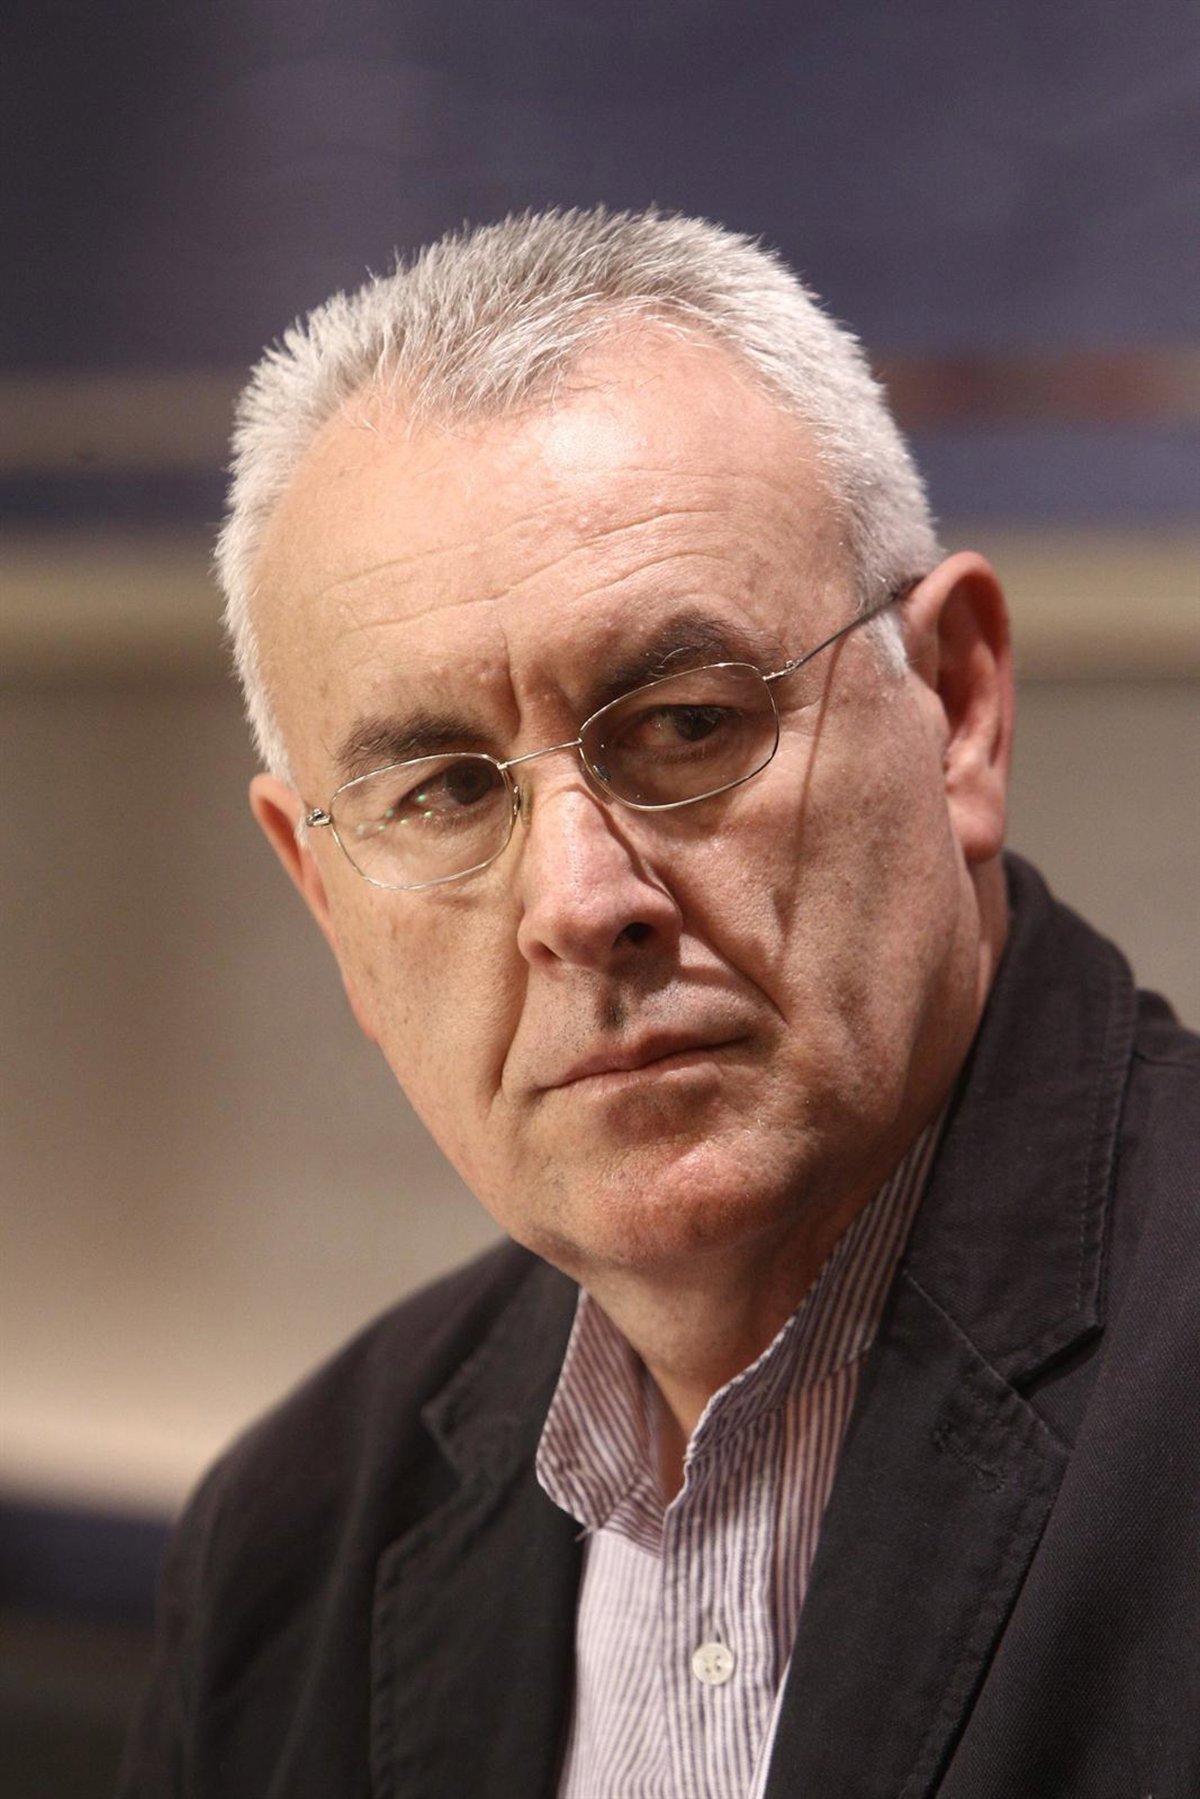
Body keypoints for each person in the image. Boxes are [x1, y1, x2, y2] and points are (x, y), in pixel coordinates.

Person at [120, 208, 1200, 1798]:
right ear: (326, 897)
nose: (578, 901)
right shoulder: (285, 1552)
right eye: (443, 792)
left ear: (958, 708)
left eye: (688, 724)